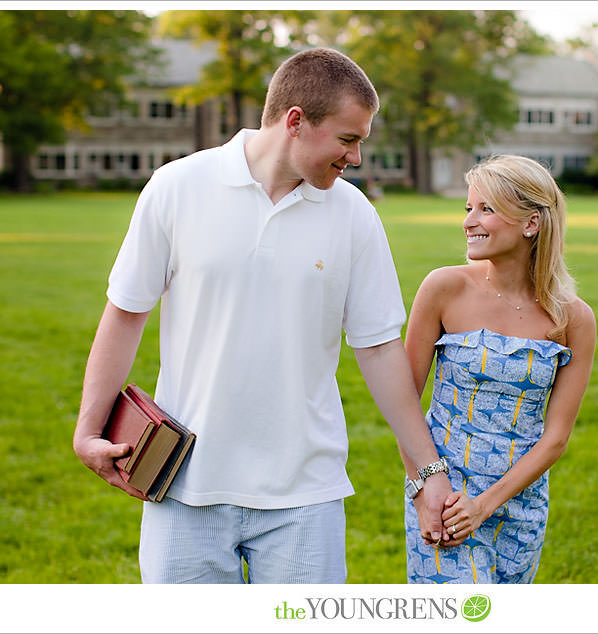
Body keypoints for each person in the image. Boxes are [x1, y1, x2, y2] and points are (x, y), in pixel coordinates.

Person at [73, 47, 452, 584]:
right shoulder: (177, 187)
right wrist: (89, 429)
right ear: (296, 121)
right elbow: (126, 312)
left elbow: (379, 349)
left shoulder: (354, 216)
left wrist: (428, 473)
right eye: (348, 139)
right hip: (184, 486)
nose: (357, 158)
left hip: (306, 498)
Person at [401, 154, 596, 583]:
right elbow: (404, 405)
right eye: (468, 208)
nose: (469, 220)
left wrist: (486, 505)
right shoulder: (443, 288)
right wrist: (423, 491)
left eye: (485, 209)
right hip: (443, 498)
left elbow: (556, 437)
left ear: (531, 223)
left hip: (519, 508)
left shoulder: (572, 319)